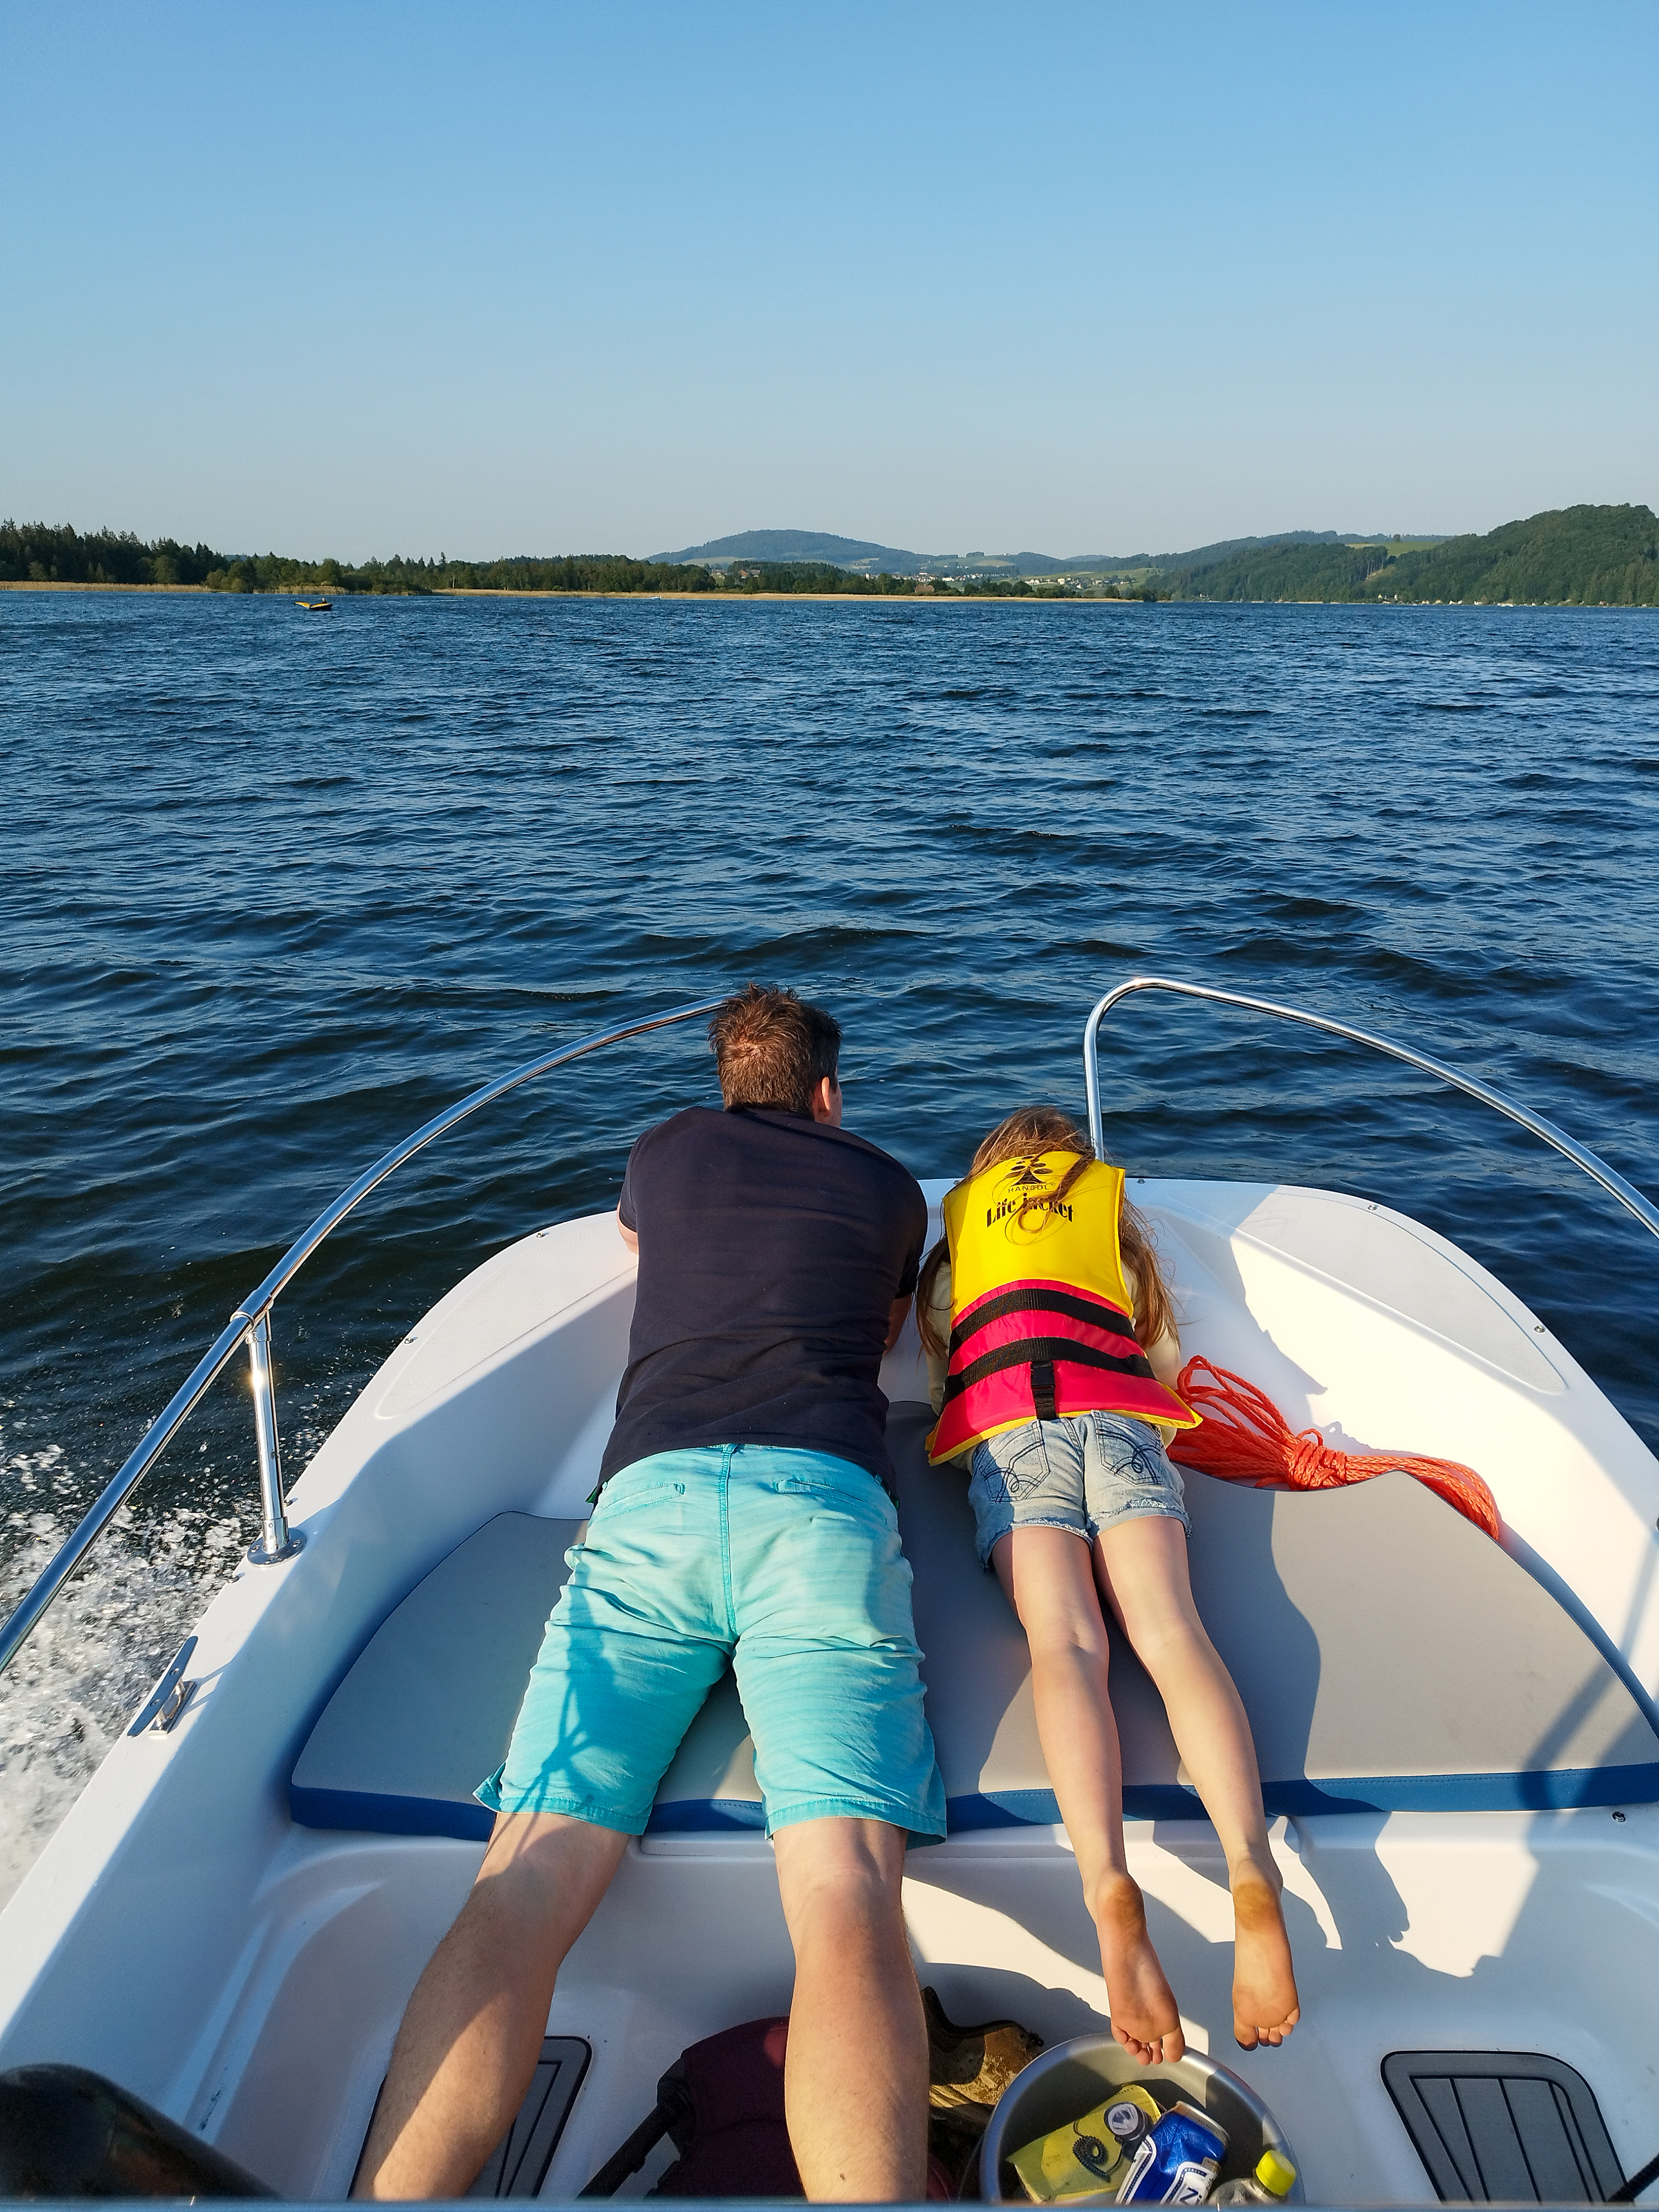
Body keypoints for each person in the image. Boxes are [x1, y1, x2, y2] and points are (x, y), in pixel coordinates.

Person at [356, 985, 941, 2203]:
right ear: (831, 1094)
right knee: (844, 1885)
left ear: (726, 1080)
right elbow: (886, 1336)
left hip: (652, 1508)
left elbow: (646, 1248)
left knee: (525, 1876)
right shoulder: (887, 1184)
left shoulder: (662, 1152)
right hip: (819, 1508)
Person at [917, 1105, 1299, 2063]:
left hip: (1017, 1443)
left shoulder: (954, 1260)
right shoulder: (1119, 1257)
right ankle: (1251, 1871)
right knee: (1172, 1637)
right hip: (1121, 1433)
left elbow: (943, 1384)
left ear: (991, 1183)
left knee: (1069, 1646)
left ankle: (1109, 1890)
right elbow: (1161, 1368)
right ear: (1083, 1190)